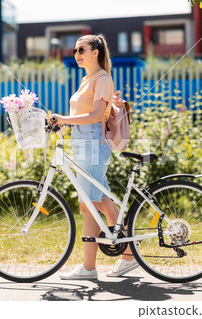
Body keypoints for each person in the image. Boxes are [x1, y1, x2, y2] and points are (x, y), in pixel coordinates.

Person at [49, 34, 139, 280]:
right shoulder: (87, 80)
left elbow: (97, 114)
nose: (76, 54)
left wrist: (65, 119)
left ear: (95, 52)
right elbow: (83, 115)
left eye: (81, 50)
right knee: (100, 200)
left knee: (88, 206)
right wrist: (64, 124)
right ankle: (130, 255)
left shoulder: (102, 79)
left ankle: (89, 268)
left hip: (92, 144)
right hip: (82, 142)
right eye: (75, 50)